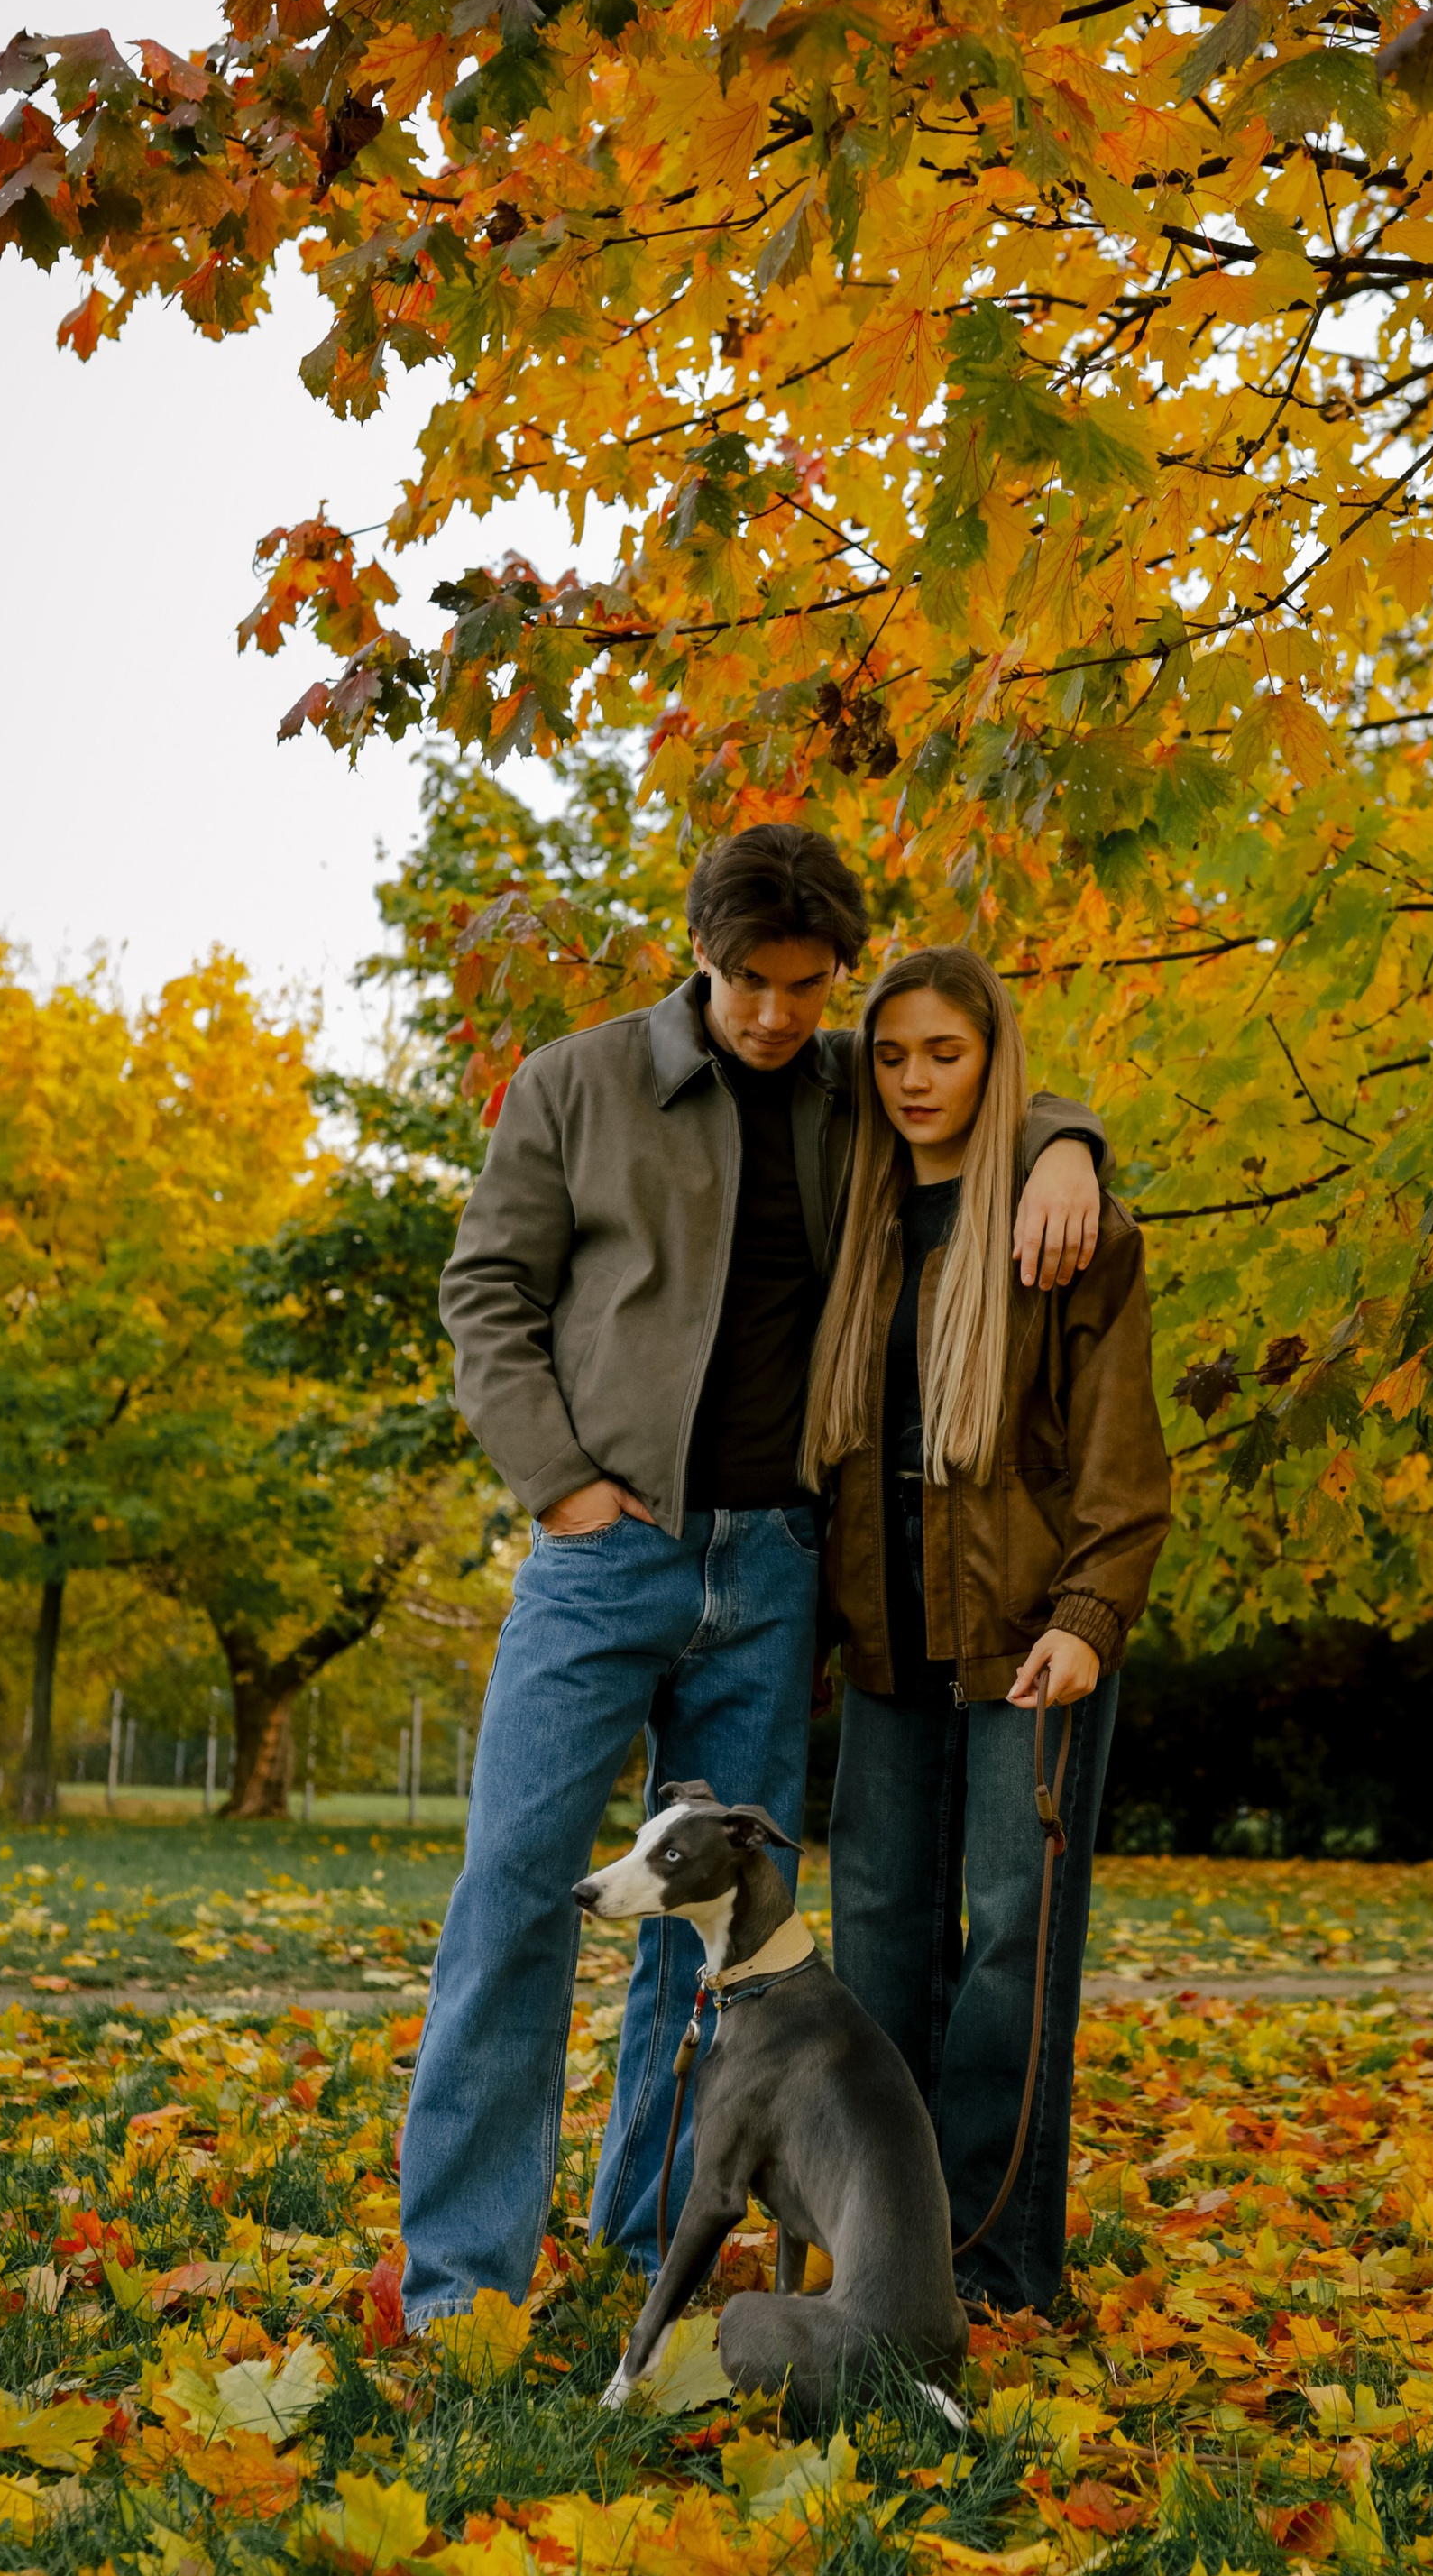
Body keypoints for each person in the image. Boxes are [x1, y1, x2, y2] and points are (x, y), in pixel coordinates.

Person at [400, 827, 1107, 2322]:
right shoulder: (578, 1082)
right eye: (751, 983)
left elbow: (984, 1089)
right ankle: (463, 2284)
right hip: (605, 1559)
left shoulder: (852, 1087)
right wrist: (562, 1484)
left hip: (776, 1569)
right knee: (516, 1896)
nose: (779, 1014)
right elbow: (486, 1291)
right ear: (701, 955)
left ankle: (653, 2244)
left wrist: (1070, 1144)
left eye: (808, 985)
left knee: (716, 1944)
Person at [804, 946, 1171, 2316]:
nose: (915, 1080)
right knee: (878, 1945)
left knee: (1014, 1948)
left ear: (994, 1058)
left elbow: (1121, 1449)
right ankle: (886, 2256)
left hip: (1031, 1640)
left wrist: (1091, 1613)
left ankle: (999, 2268)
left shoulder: (1069, 1227)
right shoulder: (853, 1215)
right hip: (886, 1642)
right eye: (892, 1055)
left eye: (945, 1054)